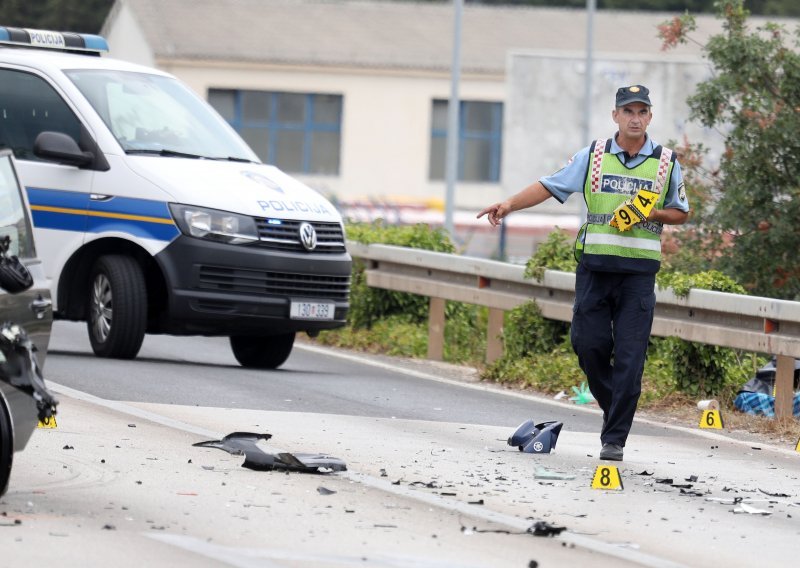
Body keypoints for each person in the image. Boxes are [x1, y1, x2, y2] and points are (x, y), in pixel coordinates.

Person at [478, 85, 689, 461]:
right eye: (628, 111)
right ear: (616, 116)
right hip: (594, 268)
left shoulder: (666, 162)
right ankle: (617, 408)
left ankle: (614, 440)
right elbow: (550, 185)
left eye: (642, 111)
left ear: (650, 117)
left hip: (638, 276)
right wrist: (509, 204)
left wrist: (651, 213)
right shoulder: (593, 156)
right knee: (588, 346)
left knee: (630, 359)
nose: (635, 118)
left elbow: (681, 212)